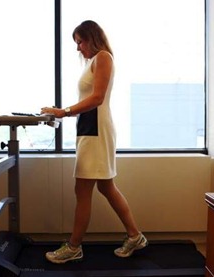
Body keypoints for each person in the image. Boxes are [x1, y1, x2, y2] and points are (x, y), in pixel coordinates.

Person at [41, 20, 147, 264]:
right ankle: (136, 236)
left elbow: (97, 98)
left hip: (97, 132)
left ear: (92, 37)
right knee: (106, 187)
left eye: (80, 41)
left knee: (83, 189)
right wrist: (63, 113)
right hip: (89, 131)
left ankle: (74, 246)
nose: (78, 47)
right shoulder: (92, 61)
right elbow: (89, 99)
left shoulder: (103, 57)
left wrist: (63, 111)